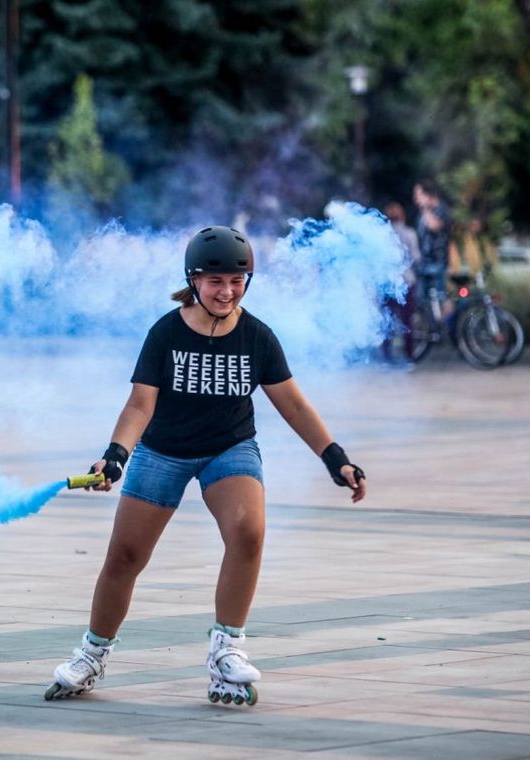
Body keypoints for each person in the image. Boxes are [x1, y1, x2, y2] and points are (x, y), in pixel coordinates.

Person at [44, 226, 366, 706]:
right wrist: (115, 455)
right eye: (216, 281)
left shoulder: (258, 337)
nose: (227, 291)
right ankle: (92, 654)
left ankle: (227, 649)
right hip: (162, 451)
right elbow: (139, 405)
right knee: (125, 556)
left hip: (228, 449)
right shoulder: (166, 333)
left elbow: (294, 405)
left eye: (237, 281)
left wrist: (335, 458)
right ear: (193, 280)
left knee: (248, 532)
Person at [380, 201, 421, 365]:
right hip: (406, 282)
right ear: (402, 216)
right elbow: (416, 257)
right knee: (407, 322)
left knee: (386, 322)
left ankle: (386, 358)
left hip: (387, 283)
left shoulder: (382, 235)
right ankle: (409, 357)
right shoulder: (410, 233)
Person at [413, 179, 453, 320]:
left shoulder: (441, 210)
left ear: (428, 194)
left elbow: (434, 226)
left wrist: (425, 209)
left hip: (437, 263)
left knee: (441, 300)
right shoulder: (422, 214)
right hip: (424, 263)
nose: (415, 198)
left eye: (418, 195)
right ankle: (432, 328)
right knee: (422, 302)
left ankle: (447, 327)